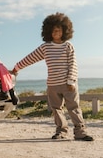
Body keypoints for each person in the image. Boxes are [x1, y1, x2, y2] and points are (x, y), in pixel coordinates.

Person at [12, 12, 93, 141]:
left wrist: (71, 81)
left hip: (69, 85)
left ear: (65, 31)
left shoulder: (68, 46)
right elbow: (30, 58)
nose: (56, 32)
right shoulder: (45, 47)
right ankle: (61, 131)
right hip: (53, 85)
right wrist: (16, 67)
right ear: (48, 31)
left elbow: (73, 64)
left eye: (59, 30)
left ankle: (80, 132)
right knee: (56, 109)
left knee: (74, 108)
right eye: (53, 30)